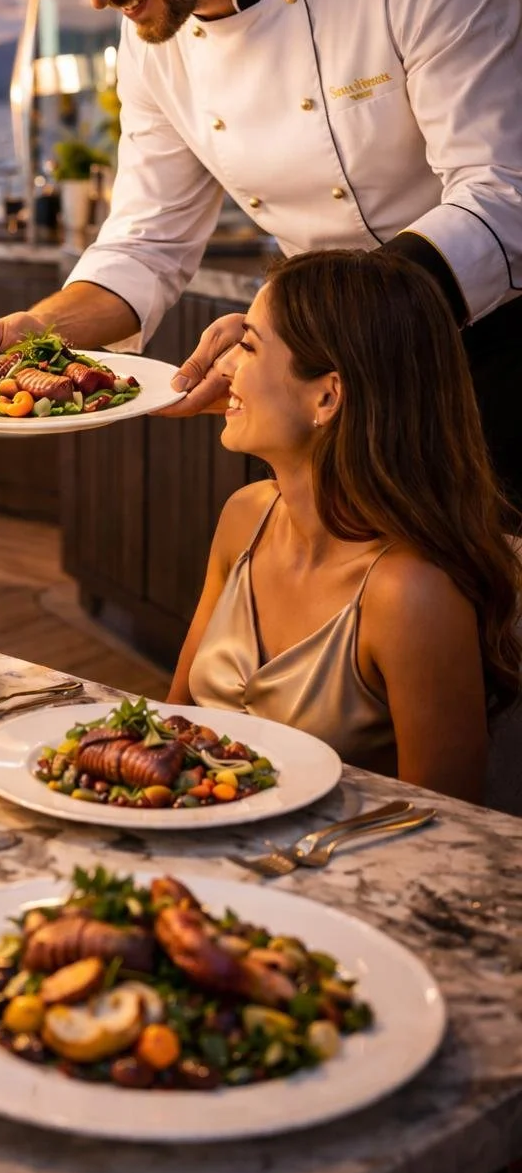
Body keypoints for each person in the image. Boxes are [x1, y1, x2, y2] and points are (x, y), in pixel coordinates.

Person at [0, 0, 522, 506]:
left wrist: (296, 331)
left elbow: (503, 198)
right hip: (332, 381)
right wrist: (43, 329)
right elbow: (146, 243)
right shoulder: (152, 44)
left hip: (497, 347)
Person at [165, 249, 519, 802]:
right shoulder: (245, 516)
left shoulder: (410, 593)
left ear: (327, 395)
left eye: (250, 346)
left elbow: (444, 824)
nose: (226, 366)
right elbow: (172, 727)